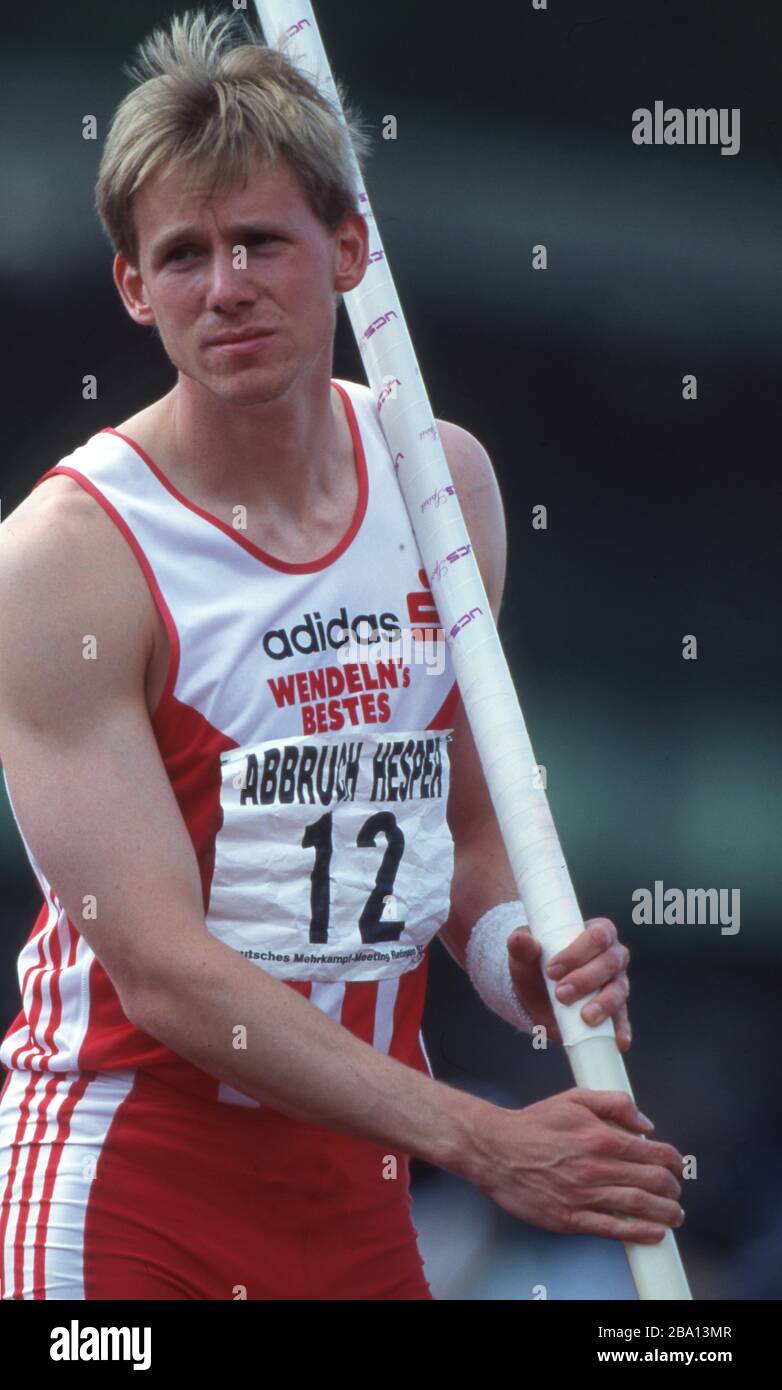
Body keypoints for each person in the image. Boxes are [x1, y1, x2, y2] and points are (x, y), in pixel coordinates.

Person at [0, 9, 683, 1301]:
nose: (226, 286)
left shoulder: (444, 486)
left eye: (260, 240)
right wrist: (481, 1138)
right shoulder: (67, 556)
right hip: (128, 1193)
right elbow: (162, 970)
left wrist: (507, 956)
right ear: (135, 288)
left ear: (349, 249)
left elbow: (465, 830)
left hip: (353, 1205)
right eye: (183, 255)